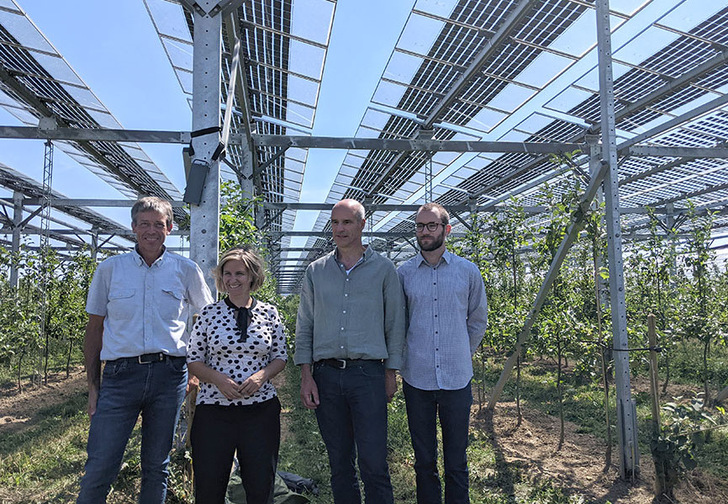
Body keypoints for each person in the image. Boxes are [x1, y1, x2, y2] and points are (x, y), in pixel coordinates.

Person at [78, 196, 213, 503]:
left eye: (158, 224)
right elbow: (94, 329)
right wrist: (93, 386)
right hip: (120, 376)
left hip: (170, 376)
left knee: (156, 465)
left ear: (170, 228)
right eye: (144, 224)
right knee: (101, 464)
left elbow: (206, 322)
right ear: (133, 227)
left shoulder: (186, 270)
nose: (151, 230)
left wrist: (196, 371)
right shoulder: (110, 270)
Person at [294, 198, 406, 504]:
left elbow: (395, 324)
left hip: (367, 375)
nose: (340, 229)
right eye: (335, 222)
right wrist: (306, 376)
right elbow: (305, 325)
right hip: (326, 376)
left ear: (362, 225)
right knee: (340, 463)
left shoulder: (384, 270)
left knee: (374, 462)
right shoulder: (317, 271)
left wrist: (391, 373)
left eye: (347, 222)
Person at [397, 202, 488, 504]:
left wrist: (461, 353)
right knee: (424, 461)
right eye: (420, 227)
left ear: (446, 229)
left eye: (431, 225)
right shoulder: (404, 274)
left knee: (457, 460)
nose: (424, 232)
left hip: (456, 380)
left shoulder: (468, 272)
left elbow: (477, 321)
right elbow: (399, 322)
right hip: (417, 379)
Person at [187, 246, 287, 503]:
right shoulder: (210, 314)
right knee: (210, 484)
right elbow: (194, 359)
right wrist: (218, 380)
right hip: (215, 411)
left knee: (260, 482)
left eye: (239, 273)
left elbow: (280, 357)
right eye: (227, 274)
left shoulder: (269, 313)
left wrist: (261, 376)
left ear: (252, 276)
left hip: (260, 410)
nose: (233, 280)